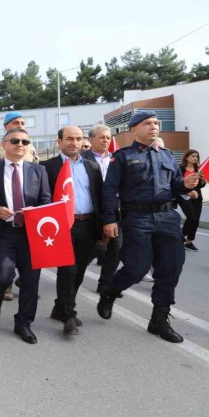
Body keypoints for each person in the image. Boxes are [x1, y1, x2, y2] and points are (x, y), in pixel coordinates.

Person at [98, 111, 200, 343]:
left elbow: (174, 186)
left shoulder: (167, 155)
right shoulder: (123, 156)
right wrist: (109, 219)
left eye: (156, 123)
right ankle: (110, 291)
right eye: (147, 123)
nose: (154, 126)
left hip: (168, 218)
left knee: (170, 269)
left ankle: (159, 320)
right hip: (137, 219)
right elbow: (109, 189)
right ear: (134, 129)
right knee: (136, 268)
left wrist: (185, 184)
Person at [0, 128, 51, 344]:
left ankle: (23, 323)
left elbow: (46, 200)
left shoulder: (38, 170)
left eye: (25, 141)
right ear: (4, 144)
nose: (20, 144)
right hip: (3, 232)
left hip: (31, 234)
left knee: (30, 281)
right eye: (15, 140)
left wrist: (36, 212)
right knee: (2, 276)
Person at [41, 126, 103, 335]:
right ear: (59, 142)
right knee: (67, 270)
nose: (74, 143)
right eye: (69, 139)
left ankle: (60, 308)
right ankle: (69, 315)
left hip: (88, 225)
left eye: (78, 139)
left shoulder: (92, 166)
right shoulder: (46, 167)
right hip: (61, 226)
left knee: (79, 271)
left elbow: (99, 197)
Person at [81, 123, 122, 292]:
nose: (106, 140)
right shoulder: (81, 159)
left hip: (114, 210)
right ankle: (70, 280)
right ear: (91, 139)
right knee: (90, 250)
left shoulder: (116, 158)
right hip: (92, 212)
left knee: (116, 248)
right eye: (102, 137)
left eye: (108, 137)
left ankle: (105, 284)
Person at [176, 149, 206, 251]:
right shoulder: (180, 169)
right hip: (184, 196)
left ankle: (189, 242)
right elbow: (177, 183)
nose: (195, 158)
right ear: (186, 157)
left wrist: (202, 181)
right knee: (192, 218)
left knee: (196, 220)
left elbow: (201, 185)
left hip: (197, 197)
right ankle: (179, 236)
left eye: (196, 156)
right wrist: (187, 191)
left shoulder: (199, 169)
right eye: (193, 156)